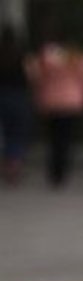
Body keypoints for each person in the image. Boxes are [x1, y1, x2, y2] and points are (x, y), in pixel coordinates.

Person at [26, 33, 83, 188]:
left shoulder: (46, 56)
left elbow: (36, 77)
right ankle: (62, 171)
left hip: (51, 102)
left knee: (53, 139)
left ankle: (54, 171)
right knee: (66, 139)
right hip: (71, 102)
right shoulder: (76, 57)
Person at [0, 25, 31, 185]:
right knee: (17, 133)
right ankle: (14, 166)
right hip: (18, 97)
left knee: (5, 133)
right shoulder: (20, 56)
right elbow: (29, 76)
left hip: (2, 96)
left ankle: (6, 165)